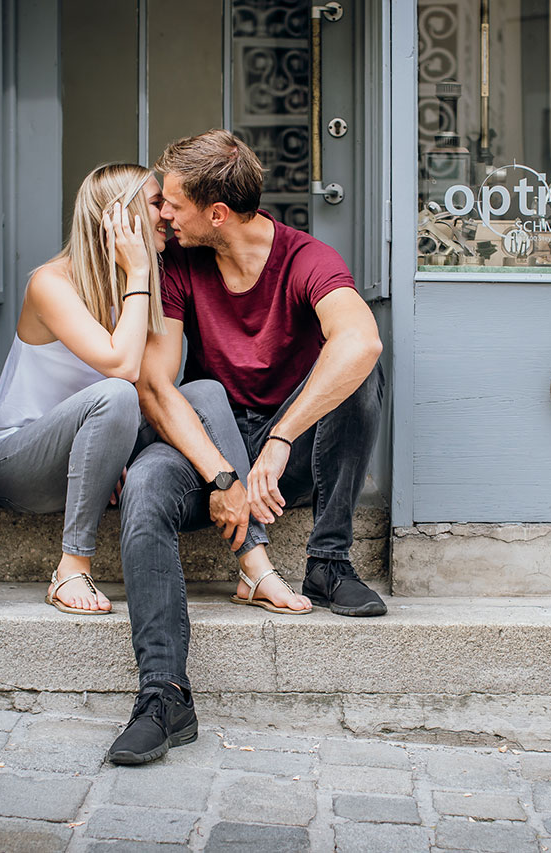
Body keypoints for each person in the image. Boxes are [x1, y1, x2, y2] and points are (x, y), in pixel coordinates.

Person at [106, 130, 384, 766]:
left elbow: (360, 341)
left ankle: (329, 561)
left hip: (287, 462)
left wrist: (283, 437)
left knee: (363, 373)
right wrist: (221, 473)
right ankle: (164, 696)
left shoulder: (306, 258)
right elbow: (156, 383)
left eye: (172, 204)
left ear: (217, 213)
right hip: (211, 447)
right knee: (148, 485)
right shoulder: (178, 268)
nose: (163, 213)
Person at [0, 163, 164, 616]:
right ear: (122, 216)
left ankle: (251, 556)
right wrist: (139, 274)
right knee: (118, 393)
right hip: (14, 465)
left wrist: (117, 450)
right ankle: (71, 567)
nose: (167, 216)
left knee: (199, 395)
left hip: (78, 464)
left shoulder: (132, 287)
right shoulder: (50, 283)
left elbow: (150, 385)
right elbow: (122, 367)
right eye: (156, 204)